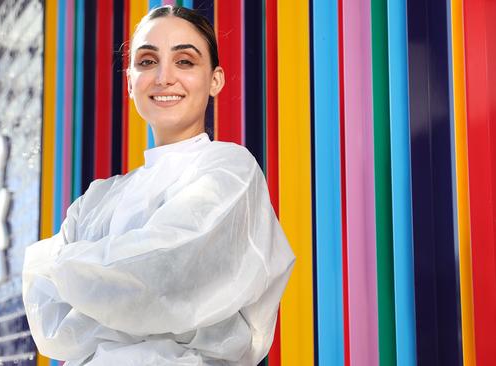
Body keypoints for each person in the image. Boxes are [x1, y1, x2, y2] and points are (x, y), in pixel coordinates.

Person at [22, 5, 295, 365]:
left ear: (215, 80)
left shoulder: (230, 171)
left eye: (184, 61)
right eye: (148, 61)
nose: (165, 77)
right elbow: (51, 324)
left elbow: (162, 278)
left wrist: (51, 260)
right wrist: (109, 283)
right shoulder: (97, 200)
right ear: (130, 81)